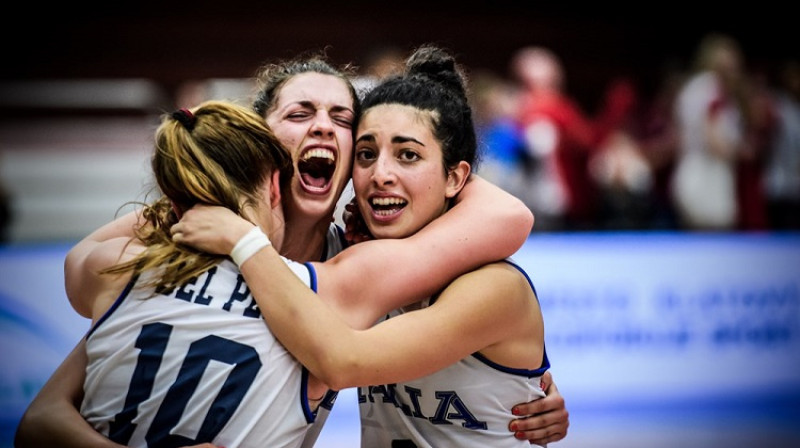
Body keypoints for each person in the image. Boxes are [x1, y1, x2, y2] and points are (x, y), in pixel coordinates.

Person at [15, 52, 568, 447]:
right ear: (261, 140)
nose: (324, 129)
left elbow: (509, 218)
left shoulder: (357, 263)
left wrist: (510, 378)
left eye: (343, 120)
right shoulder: (193, 245)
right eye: (300, 115)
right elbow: (41, 419)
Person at [174, 45, 551, 447]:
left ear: (456, 178)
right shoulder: (355, 254)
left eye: (408, 155)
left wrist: (244, 242)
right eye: (367, 154)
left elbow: (344, 361)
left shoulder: (491, 288)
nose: (381, 174)